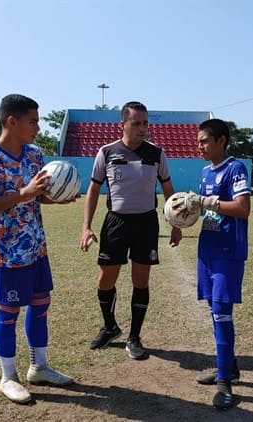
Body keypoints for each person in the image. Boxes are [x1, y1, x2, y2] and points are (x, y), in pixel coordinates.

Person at [0, 94, 75, 404]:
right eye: (33, 121)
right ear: (12, 121)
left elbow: (38, 196)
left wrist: (56, 195)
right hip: (7, 252)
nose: (39, 128)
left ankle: (39, 367)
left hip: (36, 247)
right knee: (9, 312)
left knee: (41, 305)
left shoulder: (33, 155)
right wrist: (24, 192)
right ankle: (8, 376)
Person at [79, 101, 182, 361]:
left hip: (146, 224)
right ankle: (110, 326)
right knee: (105, 280)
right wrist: (86, 226)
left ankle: (134, 337)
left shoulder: (157, 154)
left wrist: (176, 224)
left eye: (145, 123)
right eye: (136, 123)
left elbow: (169, 192)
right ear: (123, 124)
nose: (142, 128)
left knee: (141, 281)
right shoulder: (106, 152)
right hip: (115, 223)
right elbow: (93, 190)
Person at [170, 118, 251, 410]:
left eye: (204, 141)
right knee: (214, 311)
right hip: (208, 249)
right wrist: (185, 213)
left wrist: (206, 202)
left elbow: (242, 209)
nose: (199, 145)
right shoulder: (205, 172)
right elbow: (207, 211)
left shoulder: (235, 168)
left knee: (221, 313)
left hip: (228, 252)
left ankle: (224, 385)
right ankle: (228, 366)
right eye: (198, 140)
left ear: (221, 140)